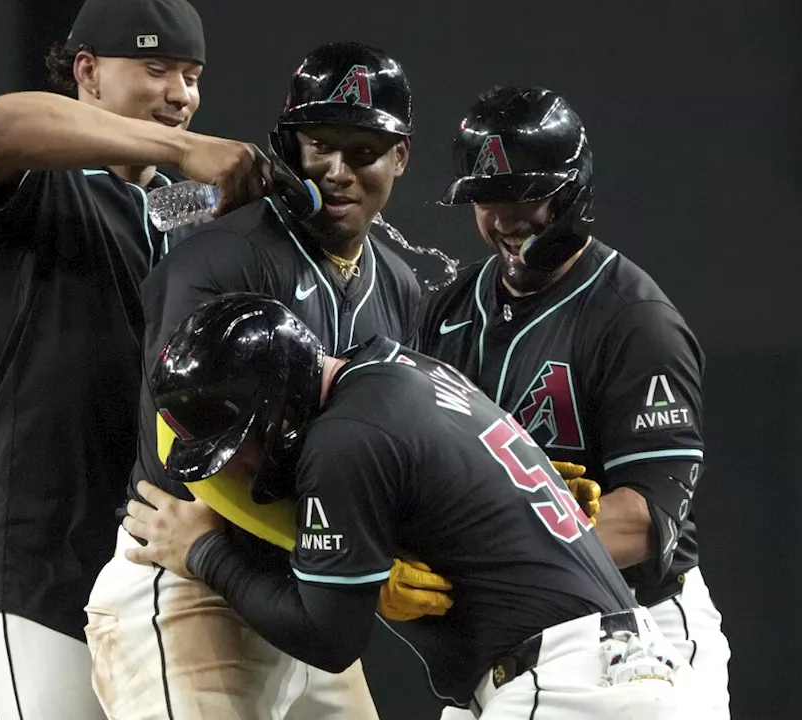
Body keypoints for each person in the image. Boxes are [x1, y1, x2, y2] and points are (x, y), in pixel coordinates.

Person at [124, 292, 696, 719]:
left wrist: (204, 553)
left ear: (280, 395)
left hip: (567, 688)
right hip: (599, 672)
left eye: (241, 443)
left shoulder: (345, 438)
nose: (241, 466)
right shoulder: (398, 371)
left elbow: (329, 640)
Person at [0, 0, 271, 716]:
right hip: (38, 570)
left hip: (155, 575)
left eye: (192, 75)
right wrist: (183, 151)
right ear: (86, 71)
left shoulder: (188, 218)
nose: (181, 93)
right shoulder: (43, 184)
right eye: (156, 68)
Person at [84, 41, 428, 720]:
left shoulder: (401, 286)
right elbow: (183, 457)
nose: (336, 169)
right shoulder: (224, 257)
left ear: (400, 157)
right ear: (287, 145)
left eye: (363, 150)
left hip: (296, 585)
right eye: (318, 144)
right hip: (190, 571)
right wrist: (342, 548)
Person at [419, 85, 731, 719]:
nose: (506, 219)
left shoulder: (635, 319)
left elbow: (647, 519)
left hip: (641, 632)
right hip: (515, 635)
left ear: (575, 190)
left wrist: (477, 550)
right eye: (487, 199)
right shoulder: (449, 312)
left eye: (528, 197)